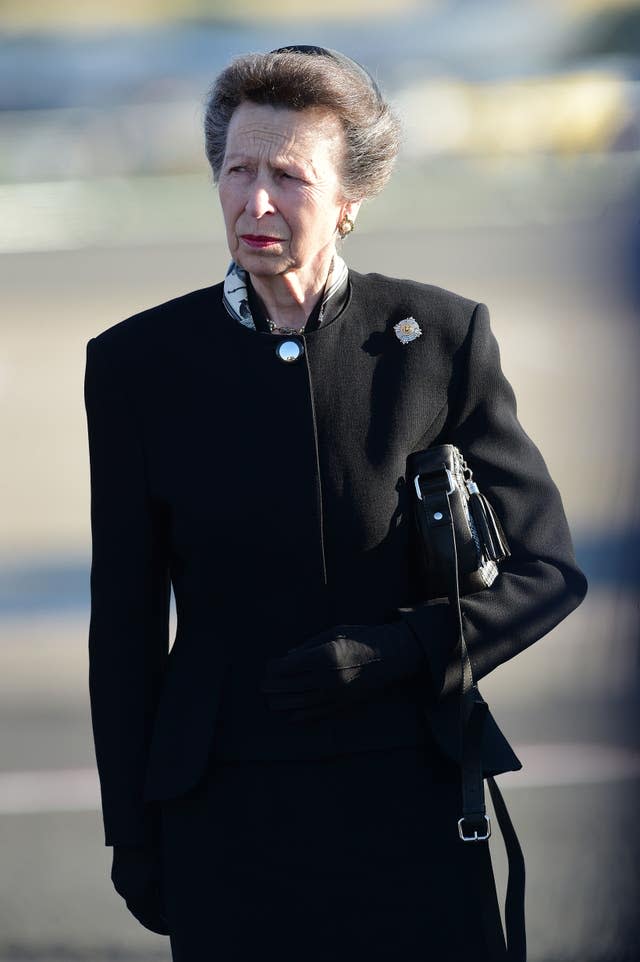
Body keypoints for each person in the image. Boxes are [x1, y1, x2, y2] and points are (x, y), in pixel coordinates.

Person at [84, 46, 588, 962]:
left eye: (289, 175)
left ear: (353, 198)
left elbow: (548, 570)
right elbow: (122, 623)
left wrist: (402, 650)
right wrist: (134, 826)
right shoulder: (135, 365)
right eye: (238, 170)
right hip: (225, 814)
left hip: (413, 806)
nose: (257, 201)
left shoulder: (439, 338)